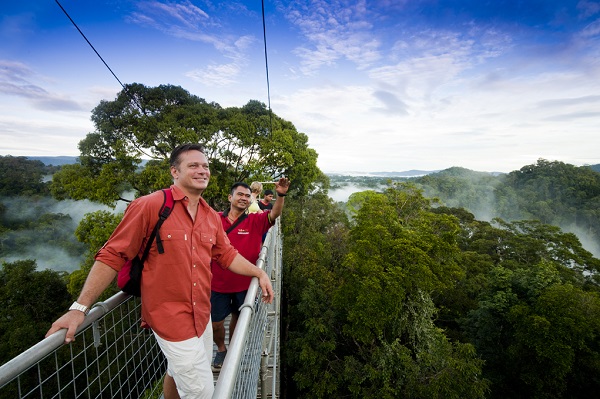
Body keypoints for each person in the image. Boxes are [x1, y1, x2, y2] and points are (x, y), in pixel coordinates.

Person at [45, 143, 274, 399]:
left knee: (175, 373)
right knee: (203, 392)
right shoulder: (151, 205)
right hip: (170, 317)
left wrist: (259, 272)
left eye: (205, 166)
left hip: (201, 313)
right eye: (193, 165)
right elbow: (112, 254)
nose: (202, 171)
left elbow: (227, 255)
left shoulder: (209, 215)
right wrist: (79, 309)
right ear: (174, 172)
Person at [211, 179, 289, 369]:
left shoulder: (256, 220)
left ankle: (232, 350)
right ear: (230, 197)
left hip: (245, 284)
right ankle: (221, 348)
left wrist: (280, 195)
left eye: (247, 196)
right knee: (215, 323)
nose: (244, 198)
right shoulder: (214, 220)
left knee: (239, 316)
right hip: (217, 284)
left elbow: (275, 214)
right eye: (240, 194)